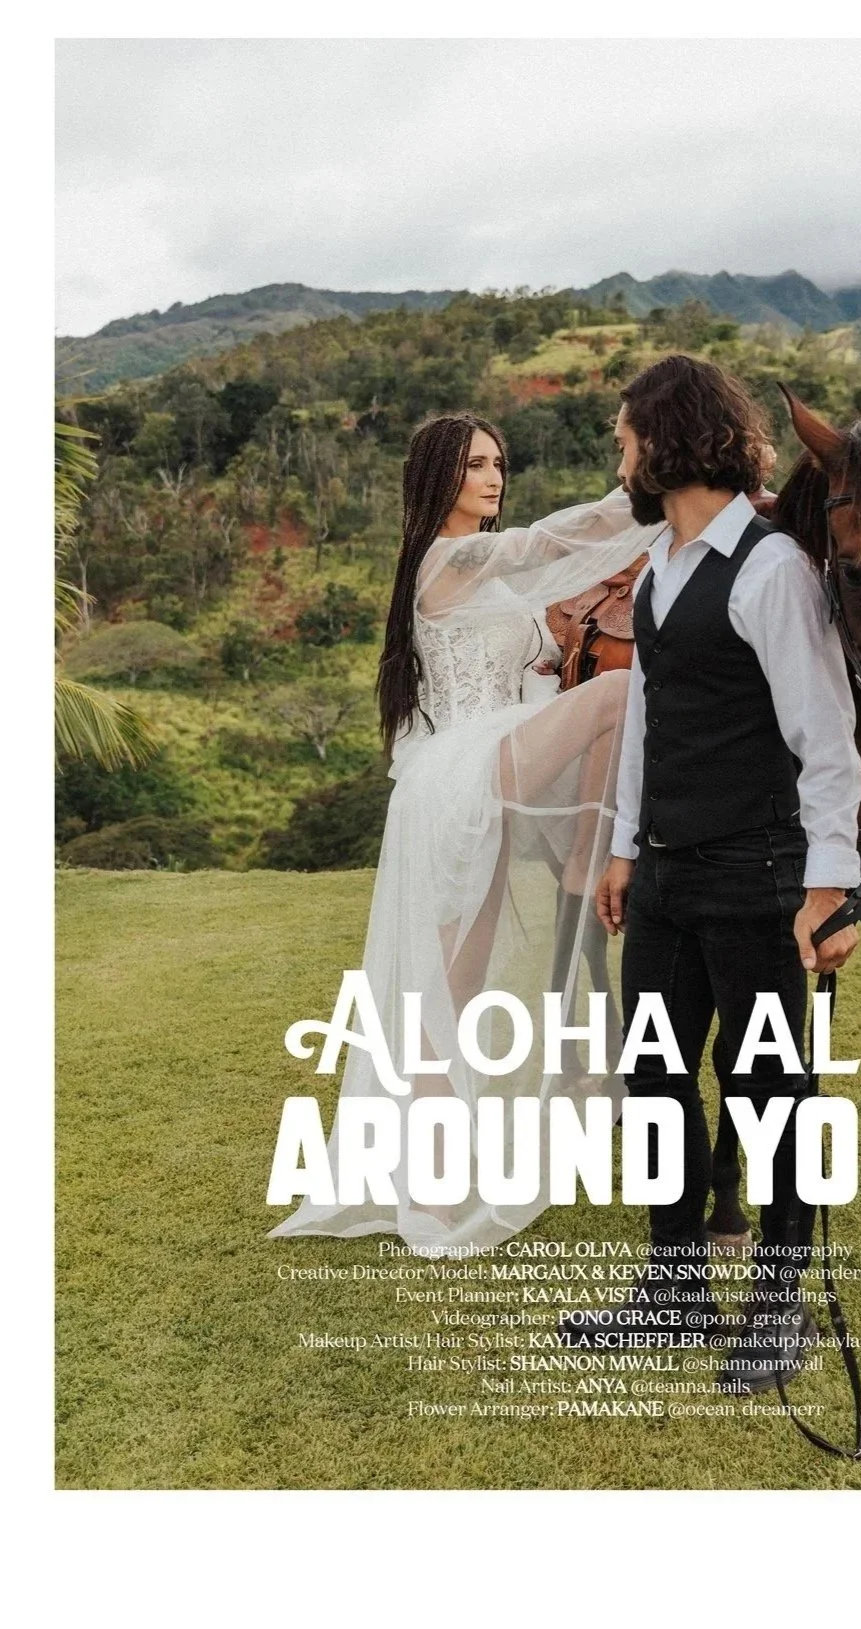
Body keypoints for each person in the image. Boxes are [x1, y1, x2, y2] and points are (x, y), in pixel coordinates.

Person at [269, 412, 663, 1254]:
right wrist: (659, 490)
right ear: (438, 477)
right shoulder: (449, 558)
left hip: (480, 771)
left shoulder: (480, 577)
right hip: (462, 771)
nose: (492, 477)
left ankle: (434, 1186)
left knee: (454, 983)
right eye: (475, 465)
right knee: (619, 694)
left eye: (499, 463)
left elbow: (537, 627)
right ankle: (600, 861)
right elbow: (555, 537)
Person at [555, 356, 861, 1397]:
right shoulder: (662, 564)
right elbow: (648, 718)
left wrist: (827, 892)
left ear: (671, 438)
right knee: (653, 1082)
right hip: (667, 878)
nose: (620, 453)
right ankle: (674, 1288)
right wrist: (626, 846)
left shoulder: (772, 569)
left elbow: (825, 742)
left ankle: (778, 1309)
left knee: (768, 1091)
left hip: (759, 874)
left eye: (626, 436)